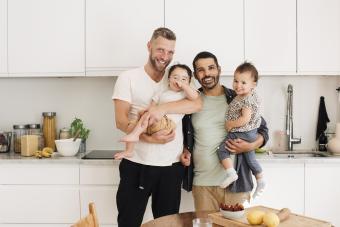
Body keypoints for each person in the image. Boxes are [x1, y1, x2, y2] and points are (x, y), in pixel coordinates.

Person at [112, 27, 202, 227]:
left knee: (167, 225)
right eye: (161, 50)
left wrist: (163, 108)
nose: (165, 56)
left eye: (170, 52)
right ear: (149, 46)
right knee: (128, 222)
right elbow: (120, 121)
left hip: (171, 168)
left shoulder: (176, 78)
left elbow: (196, 104)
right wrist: (149, 138)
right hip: (137, 166)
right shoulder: (128, 78)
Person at [180, 51, 269, 212]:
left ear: (219, 69)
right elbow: (181, 134)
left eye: (211, 67)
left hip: (237, 185)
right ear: (195, 75)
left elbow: (262, 129)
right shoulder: (191, 102)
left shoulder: (237, 97)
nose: (207, 73)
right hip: (202, 184)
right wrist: (183, 149)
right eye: (201, 70)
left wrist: (251, 146)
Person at [115, 63, 199, 160]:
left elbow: (195, 97)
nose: (179, 81)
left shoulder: (184, 94)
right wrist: (145, 112)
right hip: (154, 120)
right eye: (175, 77)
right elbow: (152, 106)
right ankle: (129, 151)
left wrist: (185, 86)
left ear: (189, 82)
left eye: (184, 79)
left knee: (144, 120)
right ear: (169, 79)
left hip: (167, 124)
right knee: (134, 123)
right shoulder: (162, 92)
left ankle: (135, 134)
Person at [217, 62, 265, 199]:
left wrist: (230, 124)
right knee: (250, 157)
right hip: (250, 133)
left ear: (253, 85)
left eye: (243, 82)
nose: (238, 85)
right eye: (236, 81)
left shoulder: (246, 99)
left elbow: (245, 119)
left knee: (221, 149)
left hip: (242, 131)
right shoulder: (247, 95)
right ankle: (260, 179)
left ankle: (231, 173)